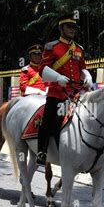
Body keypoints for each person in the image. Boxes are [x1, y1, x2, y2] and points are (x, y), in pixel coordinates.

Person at [36, 14, 93, 165]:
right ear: (61, 28)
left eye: (74, 27)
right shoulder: (52, 47)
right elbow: (42, 70)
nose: (72, 30)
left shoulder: (79, 49)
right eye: (69, 27)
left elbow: (82, 68)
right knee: (48, 119)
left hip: (76, 92)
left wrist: (87, 76)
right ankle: (42, 151)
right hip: (57, 92)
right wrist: (57, 78)